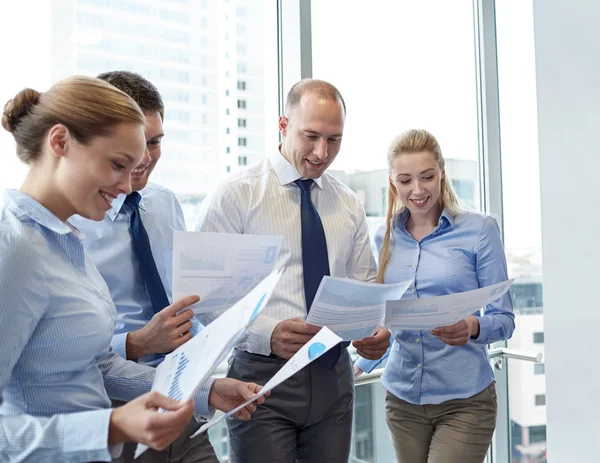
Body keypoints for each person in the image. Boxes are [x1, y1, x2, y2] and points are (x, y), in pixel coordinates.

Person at [0, 76, 264, 463]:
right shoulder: (16, 250)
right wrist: (113, 426)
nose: (127, 186)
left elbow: (96, 365)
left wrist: (207, 390)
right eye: (117, 165)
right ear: (59, 142)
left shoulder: (66, 239)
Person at [195, 78, 391, 463]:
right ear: (283, 126)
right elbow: (204, 301)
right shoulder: (236, 195)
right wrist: (266, 335)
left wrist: (374, 330)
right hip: (261, 379)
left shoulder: (348, 203)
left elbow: (365, 286)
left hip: (335, 376)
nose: (322, 153)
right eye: (311, 136)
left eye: (334, 139)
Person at [70, 71, 217, 462]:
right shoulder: (70, 224)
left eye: (154, 142)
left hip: (182, 399)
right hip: (115, 411)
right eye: (134, 145)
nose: (145, 157)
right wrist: (136, 344)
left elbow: (180, 300)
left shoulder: (166, 204)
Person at [354, 129, 515, 463]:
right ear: (392, 182)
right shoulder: (383, 236)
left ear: (442, 173)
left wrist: (472, 326)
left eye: (427, 177)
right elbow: (387, 319)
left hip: (465, 400)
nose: (417, 190)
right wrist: (357, 364)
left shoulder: (479, 230)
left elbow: (504, 320)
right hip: (401, 398)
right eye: (405, 180)